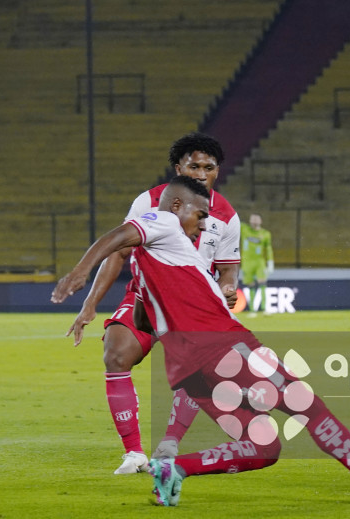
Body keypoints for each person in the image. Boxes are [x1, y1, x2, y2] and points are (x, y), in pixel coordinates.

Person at [52, 176, 350, 508]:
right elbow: (118, 235)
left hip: (188, 369)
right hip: (222, 347)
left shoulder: (154, 261)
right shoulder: (165, 221)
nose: (202, 226)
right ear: (178, 206)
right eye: (200, 215)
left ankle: (174, 469)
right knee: (309, 407)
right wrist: (80, 272)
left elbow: (141, 317)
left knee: (263, 448)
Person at [66, 133, 241, 474]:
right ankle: (133, 453)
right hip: (146, 295)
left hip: (193, 305)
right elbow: (120, 250)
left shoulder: (227, 216)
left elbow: (228, 268)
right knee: (116, 353)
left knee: (196, 369)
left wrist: (228, 287)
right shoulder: (150, 201)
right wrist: (90, 303)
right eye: (194, 166)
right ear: (179, 168)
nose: (201, 173)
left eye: (209, 167)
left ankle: (169, 444)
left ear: (218, 171)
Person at [240, 213, 274, 315]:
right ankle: (252, 310)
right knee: (251, 285)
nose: (254, 221)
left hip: (259, 262)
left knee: (262, 282)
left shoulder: (265, 234)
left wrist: (270, 262)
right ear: (250, 221)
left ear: (260, 221)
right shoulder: (244, 229)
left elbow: (268, 249)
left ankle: (264, 309)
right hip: (247, 262)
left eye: (256, 219)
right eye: (252, 219)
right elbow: (234, 219)